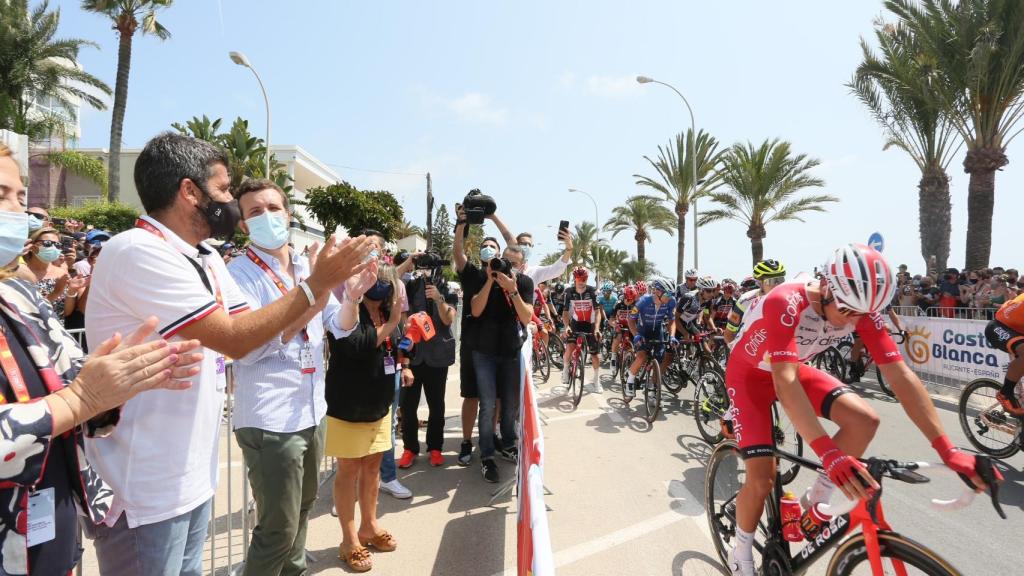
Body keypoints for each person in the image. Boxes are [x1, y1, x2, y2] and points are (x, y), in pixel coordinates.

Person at [84, 132, 372, 575]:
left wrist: (325, 288)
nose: (232, 205)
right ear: (188, 191)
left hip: (191, 473)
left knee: (291, 520)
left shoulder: (205, 258)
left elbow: (257, 329)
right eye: (223, 191)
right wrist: (316, 284)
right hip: (145, 484)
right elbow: (238, 339)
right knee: (274, 530)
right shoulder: (140, 251)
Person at [724, 244, 994, 576]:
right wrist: (828, 453)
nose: (854, 320)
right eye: (848, 311)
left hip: (794, 368)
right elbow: (785, 382)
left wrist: (948, 449)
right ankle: (741, 553)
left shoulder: (863, 310)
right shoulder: (786, 301)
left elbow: (901, 376)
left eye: (862, 314)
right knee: (762, 479)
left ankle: (814, 505)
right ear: (826, 288)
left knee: (865, 420)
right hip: (751, 377)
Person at [0, 143, 204, 575]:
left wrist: (124, 379)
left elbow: (78, 376)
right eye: (4, 195)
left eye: (20, 196)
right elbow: (76, 396)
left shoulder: (17, 293)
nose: (21, 213)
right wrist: (79, 401)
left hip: (50, 527)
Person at [225, 178, 367, 576]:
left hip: (311, 410)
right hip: (270, 420)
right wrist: (311, 295)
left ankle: (295, 571)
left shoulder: (309, 267)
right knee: (276, 529)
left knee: (303, 510)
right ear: (243, 226)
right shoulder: (237, 274)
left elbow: (338, 327)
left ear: (288, 214)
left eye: (273, 208)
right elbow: (249, 348)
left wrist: (351, 296)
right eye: (255, 212)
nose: (267, 217)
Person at [325, 263, 406, 572]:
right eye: (376, 280)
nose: (381, 286)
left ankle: (368, 527)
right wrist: (394, 321)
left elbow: (391, 347)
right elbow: (357, 345)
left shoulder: (385, 314)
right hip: (348, 406)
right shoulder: (348, 310)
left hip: (378, 405)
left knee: (372, 467)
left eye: (386, 281)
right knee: (349, 470)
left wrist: (396, 325)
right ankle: (348, 541)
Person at [467, 243, 534, 482]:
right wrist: (489, 281)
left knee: (511, 403)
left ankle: (508, 444)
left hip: (511, 351)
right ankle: (486, 456)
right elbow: (475, 310)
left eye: (513, 263)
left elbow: (526, 317)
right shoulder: (483, 277)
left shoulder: (524, 282)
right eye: (504, 260)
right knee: (487, 406)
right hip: (483, 352)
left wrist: (513, 290)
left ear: (521, 265)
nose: (506, 266)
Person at [398, 263, 458, 469]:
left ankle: (435, 448)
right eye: (421, 266)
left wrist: (439, 298)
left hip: (438, 357)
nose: (425, 271)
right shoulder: (410, 285)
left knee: (436, 405)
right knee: (408, 406)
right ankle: (410, 448)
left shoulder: (448, 288)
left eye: (429, 266)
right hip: (412, 357)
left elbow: (448, 319)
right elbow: (402, 311)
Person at [624, 278, 676, 400]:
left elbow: (672, 321)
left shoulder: (671, 302)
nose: (670, 297)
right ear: (658, 292)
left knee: (660, 360)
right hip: (642, 331)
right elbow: (631, 319)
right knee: (642, 357)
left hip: (657, 331)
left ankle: (652, 388)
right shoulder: (643, 301)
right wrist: (636, 334)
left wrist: (672, 336)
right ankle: (630, 380)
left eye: (672, 294)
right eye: (668, 294)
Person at [724, 259, 786, 346]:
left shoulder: (789, 297)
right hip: (751, 350)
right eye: (771, 281)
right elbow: (729, 333)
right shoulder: (745, 300)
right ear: (760, 282)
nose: (777, 284)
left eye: (780, 280)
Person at [561, 266, 602, 391]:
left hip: (590, 324)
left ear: (587, 278)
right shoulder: (569, 292)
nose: (581, 281)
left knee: (595, 355)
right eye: (579, 279)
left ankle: (596, 379)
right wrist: (566, 326)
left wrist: (597, 328)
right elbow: (565, 312)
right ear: (575, 279)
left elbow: (598, 311)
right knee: (569, 347)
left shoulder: (592, 291)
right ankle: (566, 369)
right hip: (576, 323)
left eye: (584, 279)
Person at [20, 227, 71, 323]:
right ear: (32, 246)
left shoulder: (63, 274)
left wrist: (73, 291)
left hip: (56, 332)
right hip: (28, 331)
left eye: (57, 245)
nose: (53, 248)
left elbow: (67, 312)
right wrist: (56, 293)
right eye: (47, 243)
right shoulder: (18, 273)